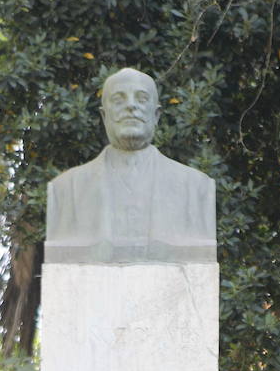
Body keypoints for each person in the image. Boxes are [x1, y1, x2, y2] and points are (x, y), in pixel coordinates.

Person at [45, 67, 216, 264]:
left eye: (141, 98)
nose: (131, 106)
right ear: (104, 115)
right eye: (119, 100)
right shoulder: (65, 190)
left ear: (156, 115)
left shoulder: (197, 188)